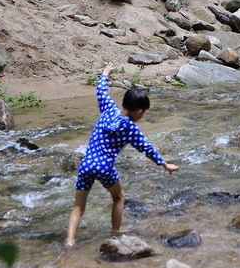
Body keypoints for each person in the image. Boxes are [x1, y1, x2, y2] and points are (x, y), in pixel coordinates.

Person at [66, 61, 179, 246]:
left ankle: (69, 241)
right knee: (118, 197)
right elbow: (146, 148)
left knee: (78, 206)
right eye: (143, 113)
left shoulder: (109, 108)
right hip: (104, 167)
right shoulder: (130, 128)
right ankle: (116, 232)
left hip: (85, 164)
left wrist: (105, 72)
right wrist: (165, 164)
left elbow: (101, 90)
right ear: (140, 111)